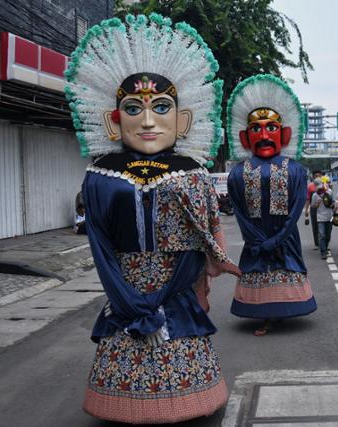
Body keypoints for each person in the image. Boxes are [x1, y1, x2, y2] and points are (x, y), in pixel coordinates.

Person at [66, 14, 240, 424]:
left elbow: (204, 237)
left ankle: (190, 399)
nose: (147, 122)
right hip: (123, 286)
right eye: (133, 108)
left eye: (161, 107)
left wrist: (168, 292)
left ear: (182, 119)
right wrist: (128, 300)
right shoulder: (101, 175)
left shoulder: (192, 172)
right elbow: (101, 245)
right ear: (114, 120)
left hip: (177, 286)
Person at [227, 74, 317, 336]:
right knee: (259, 270)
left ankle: (282, 312)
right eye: (256, 129)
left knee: (284, 266)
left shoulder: (296, 170)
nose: (264, 135)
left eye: (271, 128)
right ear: (245, 138)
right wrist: (255, 239)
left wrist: (278, 238)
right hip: (255, 239)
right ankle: (265, 316)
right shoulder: (237, 173)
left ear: (285, 134)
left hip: (285, 237)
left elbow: (297, 207)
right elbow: (239, 211)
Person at [310, 184, 334, 260]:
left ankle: (325, 247)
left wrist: (332, 205)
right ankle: (323, 252)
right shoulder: (315, 195)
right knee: (322, 235)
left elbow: (333, 202)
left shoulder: (329, 192)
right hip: (320, 217)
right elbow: (313, 206)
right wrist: (317, 203)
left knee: (328, 235)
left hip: (329, 216)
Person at [304, 170, 323, 249]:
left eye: (319, 176)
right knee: (315, 226)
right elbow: (308, 199)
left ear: (321, 176)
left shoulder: (325, 185)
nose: (317, 177)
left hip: (324, 209)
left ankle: (324, 243)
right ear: (313, 177)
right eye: (316, 176)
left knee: (324, 226)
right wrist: (306, 210)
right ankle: (317, 244)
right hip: (313, 208)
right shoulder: (310, 186)